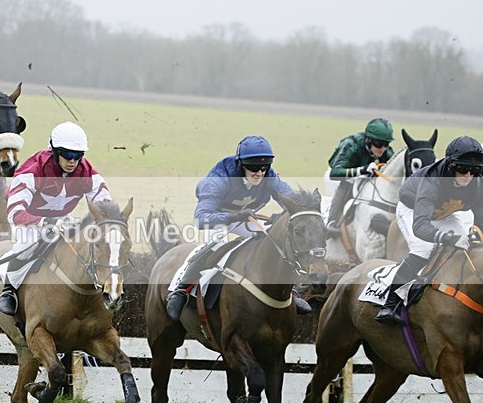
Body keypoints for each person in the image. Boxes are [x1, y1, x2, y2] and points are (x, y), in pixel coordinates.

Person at [165, 135, 311, 321]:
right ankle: (180, 290)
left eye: (264, 167)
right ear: (241, 163)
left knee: (275, 239)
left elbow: (292, 200)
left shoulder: (269, 175)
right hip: (217, 218)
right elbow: (201, 220)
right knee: (216, 244)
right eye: (253, 167)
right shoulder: (219, 179)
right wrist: (232, 217)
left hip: (246, 216)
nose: (259, 173)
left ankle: (290, 292)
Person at [0, 121, 111, 316]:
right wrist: (46, 223)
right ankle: (8, 291)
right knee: (27, 245)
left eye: (78, 156)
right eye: (68, 155)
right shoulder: (33, 170)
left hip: (62, 218)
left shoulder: (86, 171)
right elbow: (15, 213)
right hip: (28, 219)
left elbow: (105, 204)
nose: (73, 161)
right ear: (55, 152)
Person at [375, 135, 483, 324]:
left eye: (474, 170)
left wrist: (476, 232)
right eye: (463, 169)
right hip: (413, 211)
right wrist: (448, 238)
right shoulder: (433, 180)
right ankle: (390, 303)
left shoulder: (478, 181)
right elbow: (420, 227)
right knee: (423, 249)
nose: (468, 175)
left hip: (445, 212)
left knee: (470, 245)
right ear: (451, 165)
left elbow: (480, 215)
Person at [326, 118, 396, 232]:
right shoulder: (351, 144)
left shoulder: (387, 152)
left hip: (364, 173)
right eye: (379, 144)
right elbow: (334, 173)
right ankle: (331, 221)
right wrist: (361, 170)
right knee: (349, 182)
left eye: (386, 144)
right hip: (338, 175)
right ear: (368, 139)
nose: (383, 148)